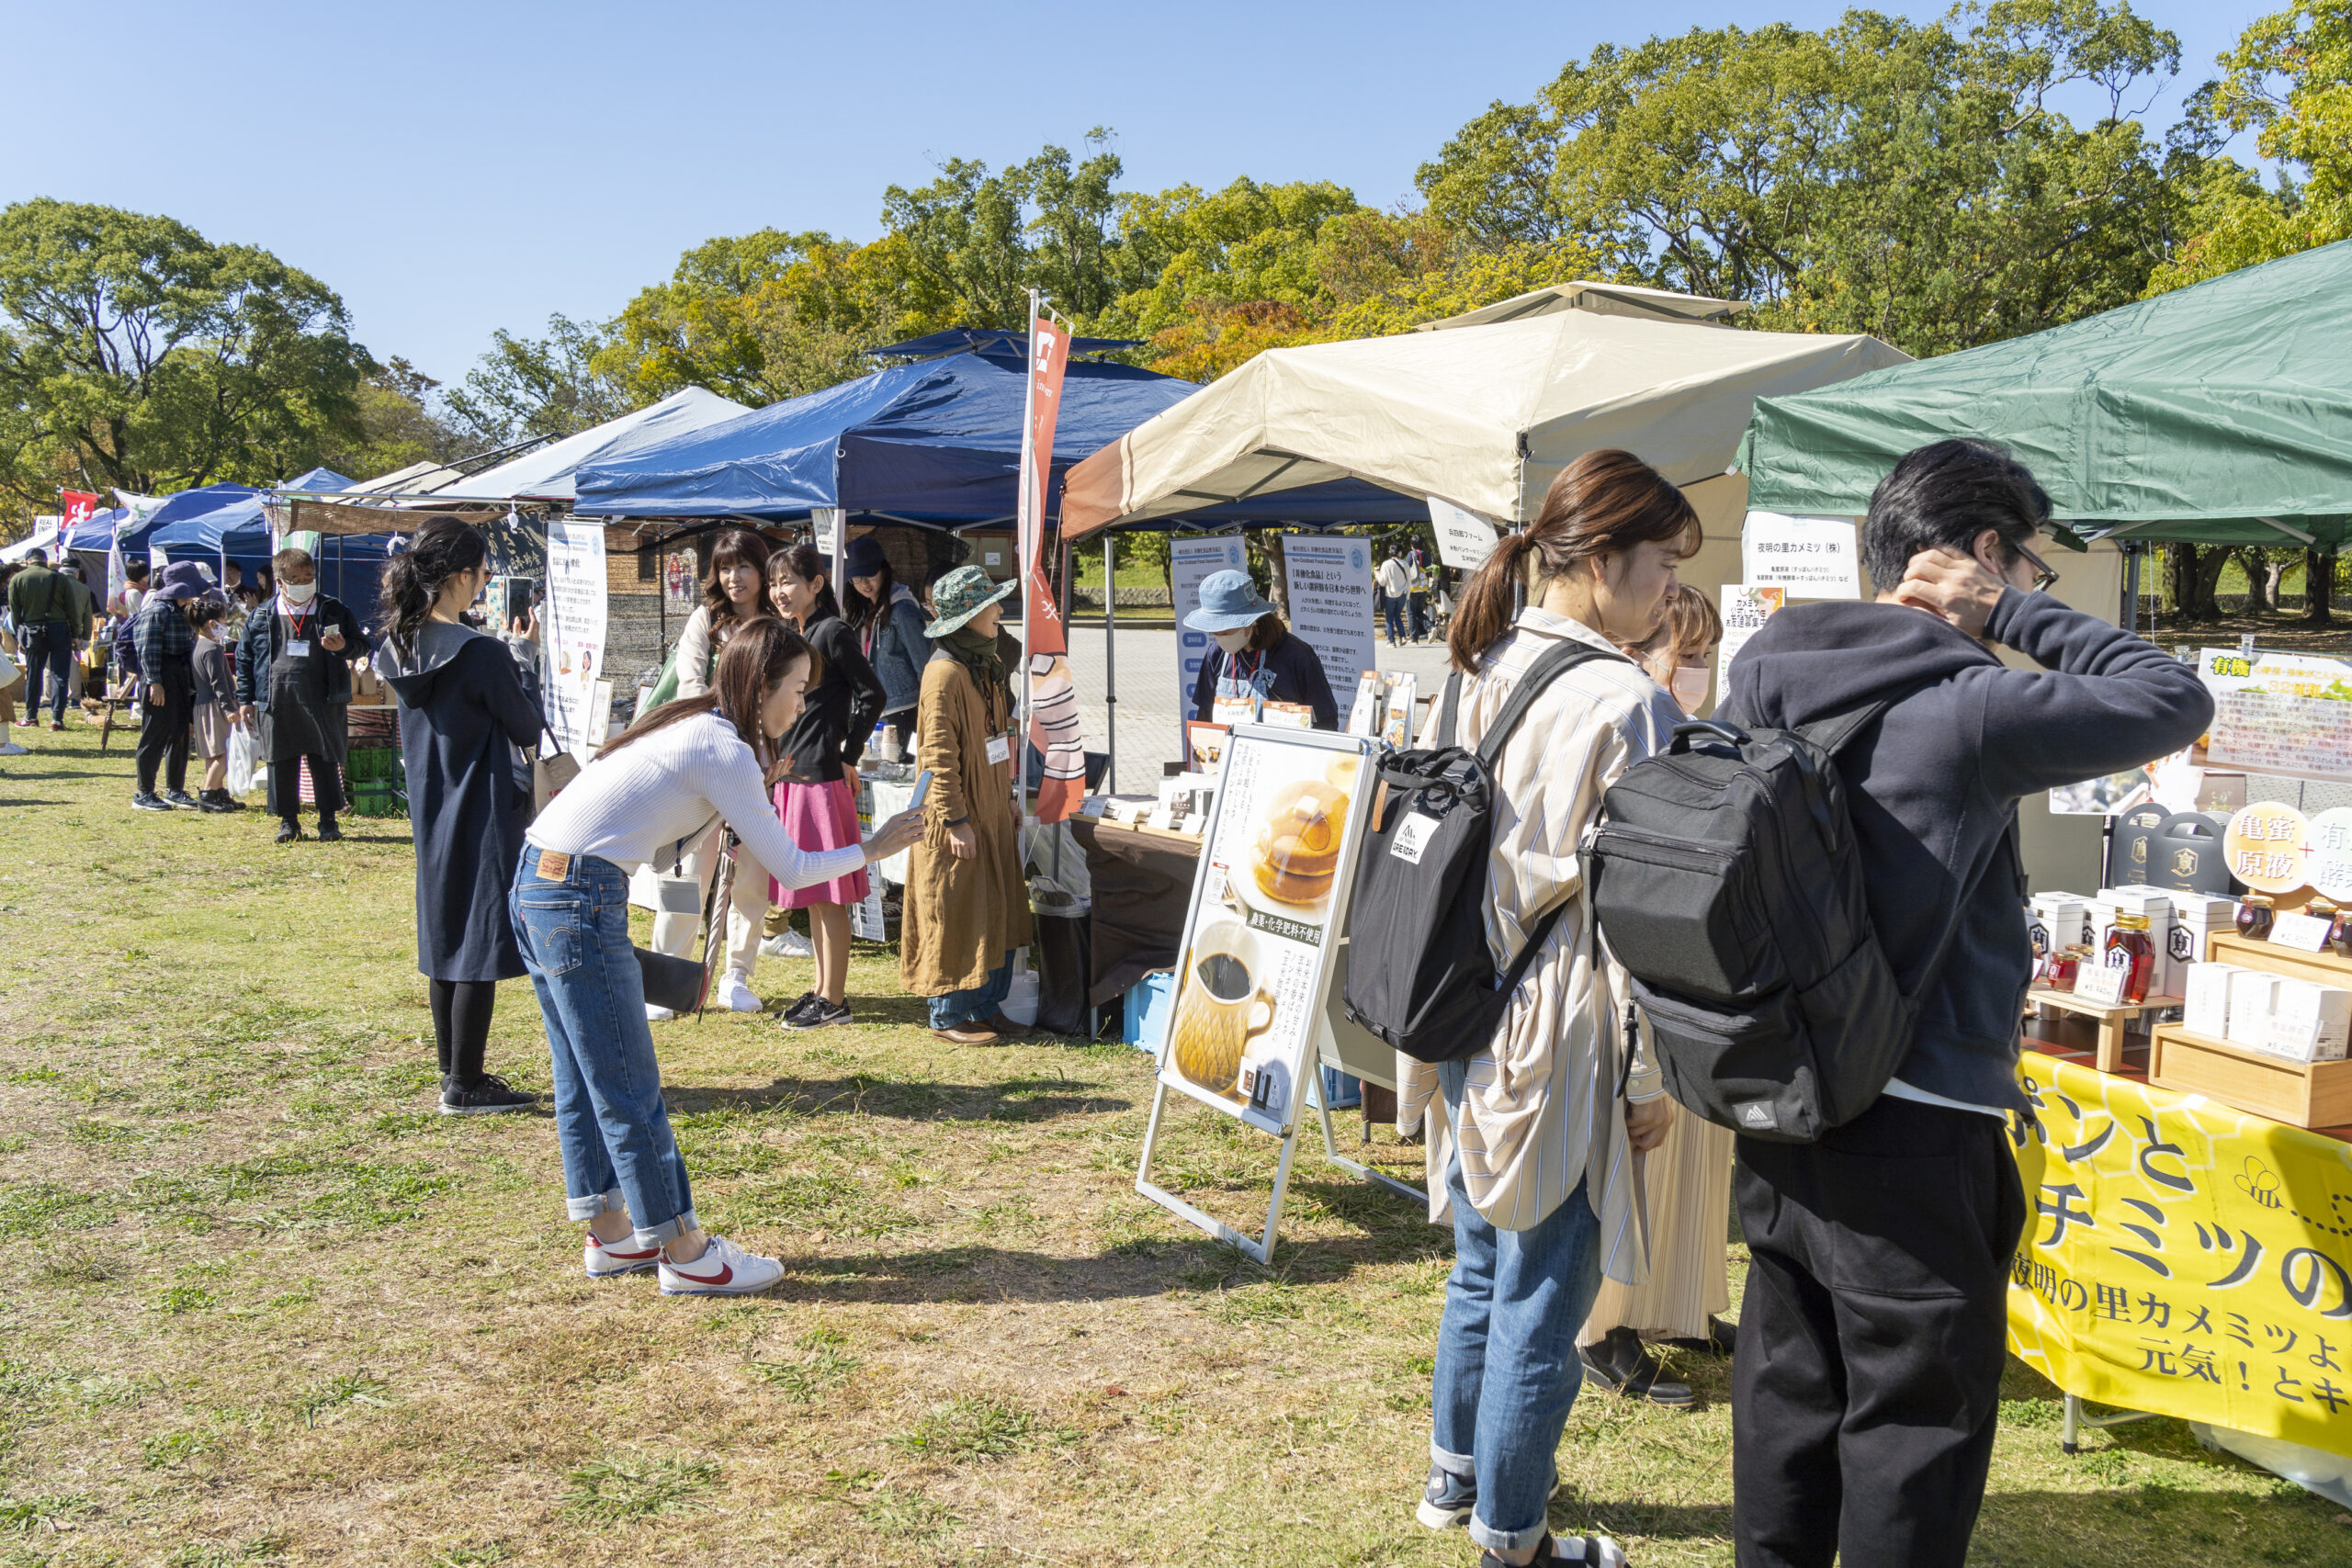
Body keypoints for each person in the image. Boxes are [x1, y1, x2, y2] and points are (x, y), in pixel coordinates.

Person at [1717, 439, 2212, 1567]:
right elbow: (2172, 697)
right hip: (1915, 1110)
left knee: (1790, 1387)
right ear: (1981, 554)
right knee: (1914, 1424)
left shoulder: (1766, 667)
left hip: (1781, 1090)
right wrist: (2009, 612)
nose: (2032, 590)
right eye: (2026, 567)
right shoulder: (1968, 706)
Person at [1399, 450, 1690, 1568]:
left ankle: (1454, 1478)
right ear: (1604, 557)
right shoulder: (1624, 699)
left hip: (1468, 998)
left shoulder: (1483, 660)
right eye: (1661, 560)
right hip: (1561, 1018)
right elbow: (1643, 912)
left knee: (1483, 1263)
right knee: (1542, 1294)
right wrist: (1651, 1077)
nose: (1667, 585)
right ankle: (1512, 1540)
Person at [514, 618, 924, 1293]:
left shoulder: (699, 724)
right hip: (578, 894)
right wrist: (874, 847)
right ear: (760, 686)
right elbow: (791, 868)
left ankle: (613, 1235)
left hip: (540, 880)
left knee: (586, 1073)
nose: (801, 705)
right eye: (795, 689)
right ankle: (686, 1249)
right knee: (624, 1080)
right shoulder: (719, 745)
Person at [1575, 583, 1730, 1409]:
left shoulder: (1696, 729)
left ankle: (1685, 1303)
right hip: (1637, 972)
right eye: (1685, 652)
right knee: (1641, 1147)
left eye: (1706, 653)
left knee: (1697, 1149)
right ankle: (1606, 1326)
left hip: (1700, 966)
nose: (1697, 669)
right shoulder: (1627, 725)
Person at [374, 520, 546, 1116]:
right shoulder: (482, 653)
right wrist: (523, 652)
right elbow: (527, 726)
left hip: (430, 804)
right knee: (475, 942)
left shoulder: (401, 644)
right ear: (457, 577)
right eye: (479, 573)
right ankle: (466, 1083)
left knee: (445, 937)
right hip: (486, 803)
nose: (484, 582)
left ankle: (453, 1071)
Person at [754, 543, 887, 1029]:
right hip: (794, 777)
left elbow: (874, 694)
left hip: (822, 779)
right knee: (810, 887)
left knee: (830, 892)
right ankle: (820, 989)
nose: (779, 591)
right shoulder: (796, 633)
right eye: (774, 582)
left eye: (789, 580)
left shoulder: (831, 632)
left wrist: (847, 754)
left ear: (816, 583)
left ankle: (835, 998)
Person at [901, 566, 1034, 1046]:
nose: (1001, 612)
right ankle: (948, 1013)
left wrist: (1008, 798)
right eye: (990, 606)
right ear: (968, 617)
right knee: (955, 909)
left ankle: (984, 1005)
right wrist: (955, 820)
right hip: (959, 816)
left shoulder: (986, 665)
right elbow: (937, 755)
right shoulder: (945, 673)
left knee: (993, 909)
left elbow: (997, 740)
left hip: (991, 809)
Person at [645, 528, 775, 1017]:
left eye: (743, 566)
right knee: (688, 872)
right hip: (702, 764)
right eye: (725, 568)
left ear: (762, 571)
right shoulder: (705, 619)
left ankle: (737, 975)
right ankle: (665, 977)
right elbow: (689, 684)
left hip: (761, 766)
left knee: (751, 876)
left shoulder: (778, 624)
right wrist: (725, 727)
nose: (734, 577)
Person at [236, 547, 370, 843]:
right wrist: (245, 699)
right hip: (276, 699)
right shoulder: (262, 615)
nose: (305, 582)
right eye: (296, 578)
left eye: (309, 575)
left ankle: (328, 821)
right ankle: (288, 822)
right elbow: (244, 659)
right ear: (280, 582)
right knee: (281, 761)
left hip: (322, 698)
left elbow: (362, 644)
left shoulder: (332, 609)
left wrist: (343, 648)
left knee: (324, 760)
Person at [1184, 569, 1339, 728]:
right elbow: (1205, 716)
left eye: (1224, 630)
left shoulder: (1297, 657)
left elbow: (1326, 721)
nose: (1218, 636)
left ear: (1252, 621)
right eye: (1213, 631)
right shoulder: (1216, 654)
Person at [129, 563, 214, 810]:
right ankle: (144, 793)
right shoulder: (157, 611)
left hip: (179, 677)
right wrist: (155, 681)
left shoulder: (182, 611)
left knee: (179, 735)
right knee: (154, 736)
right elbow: (148, 649)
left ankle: (175, 790)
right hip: (160, 676)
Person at [844, 534, 930, 763]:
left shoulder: (902, 610)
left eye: (869, 574)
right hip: (876, 713)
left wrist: (930, 713)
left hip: (906, 711)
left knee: (902, 775)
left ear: (884, 570)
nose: (864, 584)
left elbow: (925, 667)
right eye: (856, 578)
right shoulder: (863, 613)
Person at [7, 547, 87, 732]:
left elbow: (15, 613)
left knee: (34, 674)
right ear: (44, 560)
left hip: (32, 630)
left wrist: (20, 636)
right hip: (60, 629)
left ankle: (31, 717)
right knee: (61, 675)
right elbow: (72, 610)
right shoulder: (59, 578)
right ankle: (57, 720)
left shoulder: (18, 579)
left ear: (28, 561)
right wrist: (76, 633)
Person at [187, 597, 246, 813]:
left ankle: (219, 792)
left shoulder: (198, 644)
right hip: (216, 706)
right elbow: (219, 683)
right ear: (212, 623)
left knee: (213, 753)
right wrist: (229, 708)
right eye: (223, 620)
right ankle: (208, 794)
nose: (225, 625)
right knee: (225, 753)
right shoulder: (212, 649)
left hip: (203, 706)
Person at [1377, 547, 1411, 647]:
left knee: (1389, 618)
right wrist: (1407, 596)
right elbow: (1409, 581)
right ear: (1399, 552)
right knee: (1397, 616)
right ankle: (1403, 637)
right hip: (1403, 594)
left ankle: (1391, 641)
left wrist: (1377, 574)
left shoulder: (1386, 564)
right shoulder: (1405, 564)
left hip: (1390, 595)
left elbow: (1382, 582)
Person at [1408, 552, 1432, 642]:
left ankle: (1414, 637)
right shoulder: (1428, 556)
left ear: (1412, 545)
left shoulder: (1411, 554)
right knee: (1419, 612)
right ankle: (1430, 627)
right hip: (1424, 588)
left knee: (1411, 613)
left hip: (1413, 588)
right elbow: (1430, 572)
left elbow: (1407, 567)